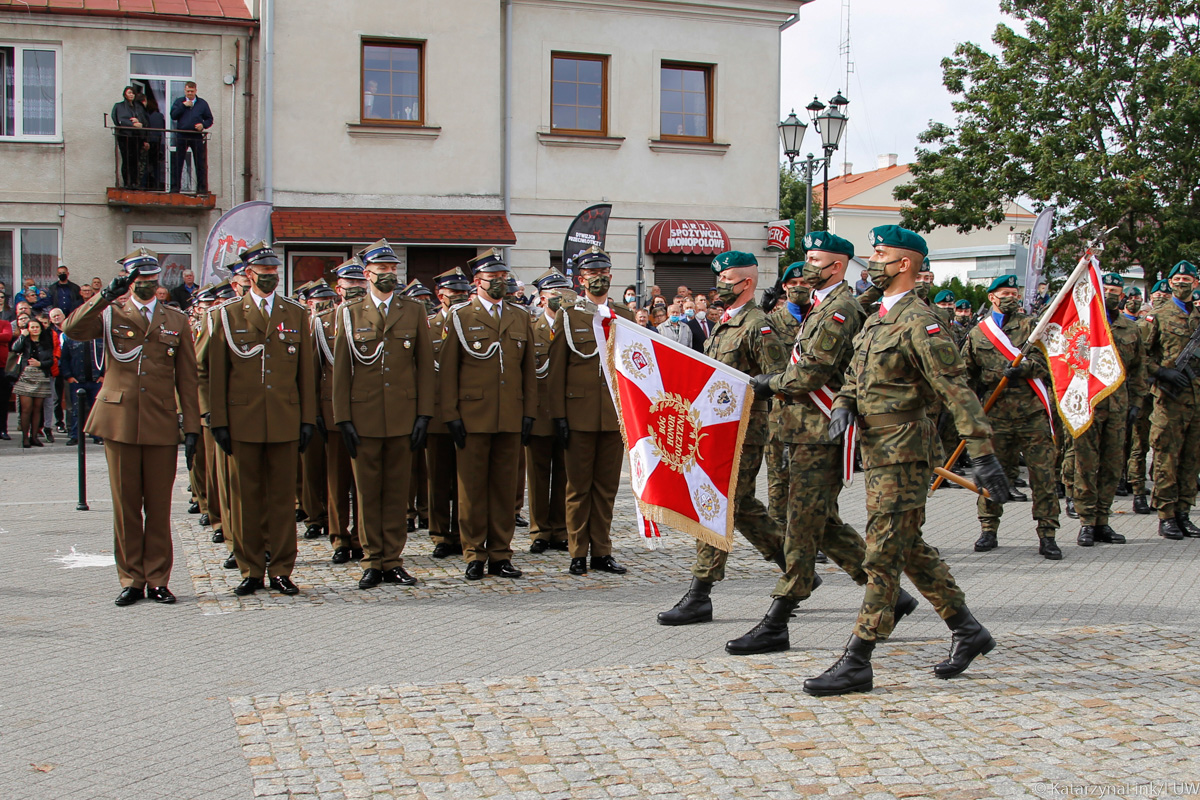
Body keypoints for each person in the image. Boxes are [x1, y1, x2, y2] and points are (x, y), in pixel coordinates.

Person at [803, 225, 1010, 696]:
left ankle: (858, 657)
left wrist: (982, 453)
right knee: (908, 545)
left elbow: (955, 390)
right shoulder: (877, 317)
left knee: (883, 553)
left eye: (880, 253)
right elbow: (856, 375)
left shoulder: (921, 321)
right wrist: (843, 404)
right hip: (877, 450)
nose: (871, 261)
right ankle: (967, 629)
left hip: (905, 452)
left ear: (904, 265)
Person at [739, 232, 919, 655]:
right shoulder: (824, 305)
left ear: (835, 267)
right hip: (801, 431)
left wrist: (768, 384)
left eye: (814, 260)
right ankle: (894, 596)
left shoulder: (838, 309)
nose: (805, 267)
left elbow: (811, 375)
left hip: (820, 431)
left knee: (801, 527)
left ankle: (778, 620)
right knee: (825, 525)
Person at [63, 248, 200, 606]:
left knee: (158, 506)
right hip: (120, 420)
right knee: (125, 506)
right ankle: (131, 579)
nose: (146, 285)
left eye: (151, 280)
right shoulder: (109, 314)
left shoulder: (176, 319)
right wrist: (104, 296)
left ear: (158, 282)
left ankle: (157, 579)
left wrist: (192, 427)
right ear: (129, 281)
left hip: (159, 419)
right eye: (139, 281)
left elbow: (187, 377)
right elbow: (72, 329)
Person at [658, 251, 788, 626]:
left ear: (746, 283)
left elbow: (777, 379)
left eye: (727, 279)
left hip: (744, 431)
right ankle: (795, 567)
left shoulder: (758, 325)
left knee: (718, 503)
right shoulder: (726, 322)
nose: (720, 285)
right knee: (741, 506)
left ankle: (700, 593)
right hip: (717, 429)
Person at [208, 242, 316, 596]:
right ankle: (251, 568)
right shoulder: (227, 314)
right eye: (263, 274)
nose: (270, 279)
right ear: (248, 275)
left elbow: (305, 372)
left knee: (283, 500)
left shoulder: (295, 313)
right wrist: (218, 420)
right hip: (243, 420)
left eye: (274, 273)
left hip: (285, 417)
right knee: (246, 499)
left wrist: (307, 419)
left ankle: (282, 568)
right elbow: (213, 372)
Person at [333, 240, 434, 588]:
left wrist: (424, 414)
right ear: (367, 275)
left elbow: (424, 367)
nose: (389, 275)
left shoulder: (413, 311)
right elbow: (342, 370)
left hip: (403, 416)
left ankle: (393, 559)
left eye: (393, 270)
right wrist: (342, 418)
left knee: (395, 493)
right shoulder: (349, 313)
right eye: (382, 271)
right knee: (366, 492)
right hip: (364, 417)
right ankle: (371, 559)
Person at [438, 249, 536, 580]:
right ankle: (473, 554)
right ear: (477, 282)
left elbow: (528, 372)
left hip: (509, 414)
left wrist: (529, 414)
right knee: (472, 490)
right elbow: (448, 371)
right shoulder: (461, 315)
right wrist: (451, 414)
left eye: (502, 278)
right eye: (492, 279)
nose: (499, 283)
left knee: (504, 490)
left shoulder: (519, 316)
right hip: (473, 416)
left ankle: (500, 553)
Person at [962, 274, 1062, 559]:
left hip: (1032, 414)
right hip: (996, 416)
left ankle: (1048, 534)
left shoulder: (1032, 327)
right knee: (995, 477)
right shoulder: (978, 333)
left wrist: (1026, 369)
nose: (1011, 298)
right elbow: (966, 376)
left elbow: (1050, 361)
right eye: (1005, 293)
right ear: (992, 297)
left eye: (1015, 293)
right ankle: (988, 529)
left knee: (1042, 475)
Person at [548, 247, 635, 575]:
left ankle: (601, 550)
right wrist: (559, 415)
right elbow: (557, 369)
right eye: (592, 275)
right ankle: (577, 552)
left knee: (606, 488)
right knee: (578, 487)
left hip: (614, 417)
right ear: (580, 280)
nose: (599, 279)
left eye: (604, 273)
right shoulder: (569, 316)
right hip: (578, 415)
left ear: (610, 276)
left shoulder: (623, 316)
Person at [1072, 274, 1146, 547]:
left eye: (1116, 290)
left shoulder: (1130, 328)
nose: (1111, 294)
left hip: (1118, 406)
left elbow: (1139, 369)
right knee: (1086, 466)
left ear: (1122, 295)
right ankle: (1086, 523)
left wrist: (1136, 402)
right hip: (1088, 404)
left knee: (1113, 466)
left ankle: (1103, 520)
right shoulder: (1082, 324)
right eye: (1106, 290)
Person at [1143, 260, 1200, 539]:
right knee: (1166, 457)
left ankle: (1184, 513)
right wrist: (1162, 372)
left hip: (1197, 400)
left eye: (1187, 278)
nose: (1181, 282)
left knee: (1191, 459)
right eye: (1177, 278)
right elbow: (1141, 356)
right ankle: (1166, 515)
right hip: (1169, 399)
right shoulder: (1158, 316)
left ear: (1195, 283)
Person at [314, 260, 365, 564]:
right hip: (332, 411)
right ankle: (339, 538)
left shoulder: (370, 319)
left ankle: (361, 536)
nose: (356, 291)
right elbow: (312, 370)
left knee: (364, 480)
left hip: (366, 409)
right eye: (350, 287)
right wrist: (314, 413)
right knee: (337, 480)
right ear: (338, 289)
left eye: (360, 286)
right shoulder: (322, 321)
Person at [425, 266, 472, 558]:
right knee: (439, 478)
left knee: (465, 480)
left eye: (463, 293)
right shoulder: (428, 325)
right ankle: (441, 534)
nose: (458, 298)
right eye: (453, 294)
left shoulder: (470, 322)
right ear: (439, 295)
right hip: (435, 413)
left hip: (466, 410)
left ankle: (463, 532)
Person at [526, 270, 572, 554]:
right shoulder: (530, 328)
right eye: (555, 294)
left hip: (568, 410)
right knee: (539, 475)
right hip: (540, 411)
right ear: (542, 298)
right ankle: (539, 531)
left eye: (565, 293)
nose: (560, 299)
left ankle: (560, 529)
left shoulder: (573, 325)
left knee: (565, 474)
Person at [59, 308, 106, 447]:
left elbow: (108, 358)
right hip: (77, 379)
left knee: (96, 409)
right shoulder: (71, 338)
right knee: (76, 409)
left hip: (96, 379)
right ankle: (75, 435)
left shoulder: (101, 338)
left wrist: (104, 375)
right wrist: (68, 376)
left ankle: (97, 435)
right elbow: (65, 359)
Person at [10, 317, 54, 447]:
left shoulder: (46, 341)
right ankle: (25, 438)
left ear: (41, 329)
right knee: (26, 409)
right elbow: (15, 348)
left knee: (37, 409)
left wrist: (40, 363)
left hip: (41, 376)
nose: (35, 329)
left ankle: (34, 437)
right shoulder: (25, 341)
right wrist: (23, 337)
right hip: (26, 376)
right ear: (28, 329)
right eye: (32, 327)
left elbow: (51, 361)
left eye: (37, 327)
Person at [170, 81, 213, 194]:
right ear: (185, 90)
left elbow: (209, 119)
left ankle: (201, 188)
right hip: (182, 134)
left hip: (196, 135)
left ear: (195, 91)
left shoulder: (202, 103)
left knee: (200, 162)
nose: (189, 93)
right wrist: (183, 106)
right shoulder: (179, 101)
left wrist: (203, 125)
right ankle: (175, 188)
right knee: (178, 162)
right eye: (188, 91)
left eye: (192, 91)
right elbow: (173, 115)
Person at [111, 85, 146, 188]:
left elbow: (145, 119)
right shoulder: (119, 106)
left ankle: (135, 182)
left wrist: (138, 121)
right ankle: (127, 182)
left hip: (136, 137)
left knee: (135, 160)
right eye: (129, 93)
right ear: (125, 94)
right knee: (126, 159)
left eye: (133, 93)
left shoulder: (138, 107)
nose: (131, 95)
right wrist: (132, 125)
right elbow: (119, 120)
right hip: (124, 136)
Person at [141, 90, 166, 191]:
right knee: (156, 166)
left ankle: (142, 185)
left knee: (146, 165)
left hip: (147, 142)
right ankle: (156, 185)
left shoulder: (145, 115)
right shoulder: (159, 116)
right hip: (156, 143)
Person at [0, 314, 13, 440]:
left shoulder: (4, 323)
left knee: (3, 401)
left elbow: (7, 336)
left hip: (2, 368)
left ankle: (3, 429)